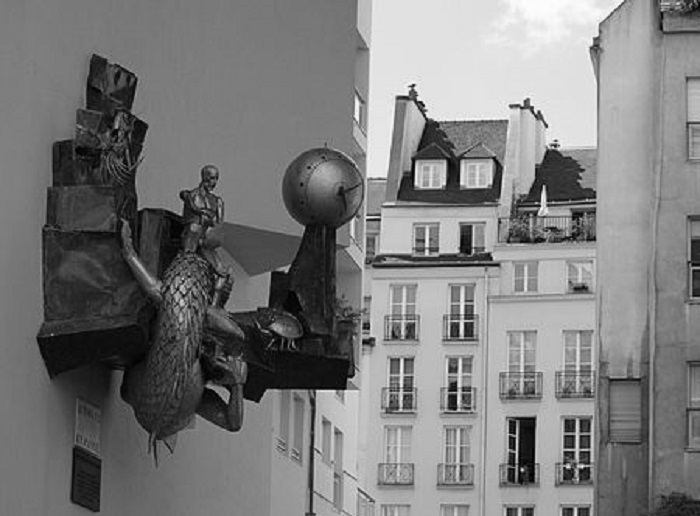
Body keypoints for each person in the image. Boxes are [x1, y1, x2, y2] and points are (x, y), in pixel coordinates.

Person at [180, 165, 233, 307]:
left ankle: (214, 307)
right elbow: (187, 220)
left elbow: (218, 224)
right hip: (192, 238)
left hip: (207, 241)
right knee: (193, 229)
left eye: (216, 178)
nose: (214, 182)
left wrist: (205, 219)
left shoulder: (218, 201)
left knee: (223, 273)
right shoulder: (192, 195)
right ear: (204, 177)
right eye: (211, 178)